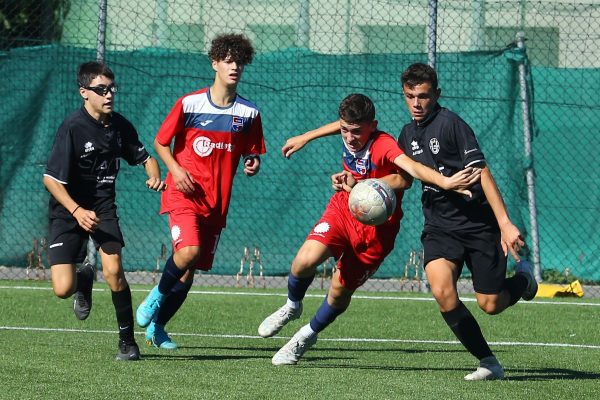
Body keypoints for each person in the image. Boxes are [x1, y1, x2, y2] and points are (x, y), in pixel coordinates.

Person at [279, 63, 539, 381]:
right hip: (439, 226)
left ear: (436, 95)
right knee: (443, 291)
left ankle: (523, 280)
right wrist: (364, 185)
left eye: (423, 96)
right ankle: (488, 362)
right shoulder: (407, 133)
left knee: (491, 303)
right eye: (410, 96)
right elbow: (399, 174)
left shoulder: (452, 125)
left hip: (476, 225)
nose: (416, 104)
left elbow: (482, 172)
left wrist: (505, 223)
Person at [257, 93, 480, 366]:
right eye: (345, 130)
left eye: (356, 132)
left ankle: (305, 336)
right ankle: (292, 306)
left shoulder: (384, 144)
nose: (350, 138)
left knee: (339, 290)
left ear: (372, 126)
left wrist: (444, 183)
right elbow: (342, 126)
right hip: (343, 209)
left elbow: (407, 174)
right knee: (304, 261)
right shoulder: (350, 129)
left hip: (377, 230)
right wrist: (307, 136)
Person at [135, 33, 266, 350]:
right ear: (215, 63)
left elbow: (252, 151)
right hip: (184, 196)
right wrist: (176, 171)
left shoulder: (249, 113)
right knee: (188, 252)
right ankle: (154, 297)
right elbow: (160, 142)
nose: (234, 67)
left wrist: (252, 162)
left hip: (216, 204)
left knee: (188, 271)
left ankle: (158, 328)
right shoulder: (190, 103)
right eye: (228, 60)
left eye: (239, 62)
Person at [43, 61, 166, 361]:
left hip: (103, 208)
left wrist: (154, 173)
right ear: (84, 92)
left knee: (114, 273)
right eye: (101, 90)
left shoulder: (120, 126)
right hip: (67, 209)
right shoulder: (72, 127)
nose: (109, 94)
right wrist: (76, 211)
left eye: (112, 88)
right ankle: (83, 280)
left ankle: (127, 343)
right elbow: (50, 179)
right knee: (63, 288)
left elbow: (145, 156)